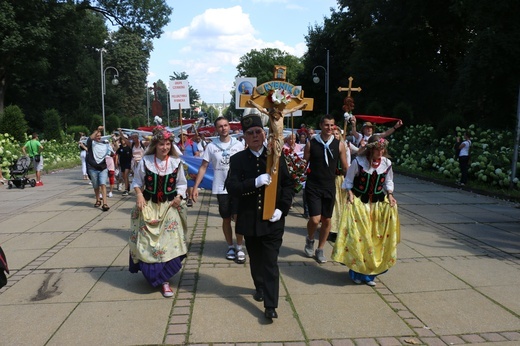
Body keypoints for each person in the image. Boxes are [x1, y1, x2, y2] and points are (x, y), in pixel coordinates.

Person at [226, 114, 295, 320]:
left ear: (264, 134)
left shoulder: (276, 156)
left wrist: (282, 208)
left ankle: (270, 305)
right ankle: (259, 286)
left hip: (273, 219)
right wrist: (254, 182)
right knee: (256, 259)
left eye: (258, 132)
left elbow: (289, 185)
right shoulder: (237, 160)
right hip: (250, 218)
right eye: (250, 133)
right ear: (244, 137)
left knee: (270, 262)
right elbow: (232, 187)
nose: (255, 136)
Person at [332, 135, 400, 286]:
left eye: (382, 149)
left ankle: (369, 275)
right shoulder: (358, 162)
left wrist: (390, 195)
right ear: (370, 149)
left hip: (377, 205)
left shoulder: (386, 163)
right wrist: (349, 194)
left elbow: (389, 181)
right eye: (377, 149)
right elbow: (348, 181)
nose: (381, 152)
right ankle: (356, 272)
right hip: (359, 204)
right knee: (359, 239)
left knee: (375, 239)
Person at [128, 126, 188, 298]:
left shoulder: (176, 163)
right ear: (156, 145)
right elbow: (137, 182)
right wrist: (139, 195)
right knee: (148, 243)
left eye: (168, 144)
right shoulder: (146, 161)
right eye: (161, 144)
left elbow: (182, 184)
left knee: (168, 244)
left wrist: (179, 196)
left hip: (169, 207)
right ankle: (156, 276)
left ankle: (165, 279)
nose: (165, 147)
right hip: (149, 206)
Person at [191, 116, 246, 262]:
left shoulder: (239, 144)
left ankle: (240, 247)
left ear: (230, 127)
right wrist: (195, 186)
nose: (223, 128)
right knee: (226, 218)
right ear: (216, 129)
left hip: (237, 187)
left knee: (239, 218)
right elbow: (203, 167)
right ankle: (230, 246)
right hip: (221, 187)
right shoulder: (211, 146)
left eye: (226, 125)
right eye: (220, 126)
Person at [303, 115, 348, 263]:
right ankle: (310, 239)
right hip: (313, 186)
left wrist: (350, 186)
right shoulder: (312, 143)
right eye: (327, 125)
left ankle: (320, 249)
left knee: (327, 220)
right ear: (321, 125)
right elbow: (304, 164)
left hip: (330, 186)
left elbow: (345, 167)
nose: (329, 128)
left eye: (332, 126)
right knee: (315, 220)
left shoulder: (339, 144)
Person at [329, 126, 351, 242]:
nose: (335, 136)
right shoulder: (328, 147)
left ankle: (340, 229)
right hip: (330, 178)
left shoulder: (345, 147)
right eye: (334, 134)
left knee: (341, 204)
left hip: (340, 178)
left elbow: (347, 164)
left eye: (337, 134)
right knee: (333, 204)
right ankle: (332, 229)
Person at [86, 126, 111, 211]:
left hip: (103, 168)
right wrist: (98, 130)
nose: (98, 137)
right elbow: (90, 138)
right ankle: (97, 199)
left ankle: (105, 203)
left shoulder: (104, 143)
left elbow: (112, 151)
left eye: (100, 135)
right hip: (92, 168)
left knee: (103, 184)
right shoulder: (90, 143)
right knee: (96, 185)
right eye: (97, 135)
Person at [177, 129, 199, 206]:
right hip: (180, 165)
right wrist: (180, 150)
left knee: (189, 182)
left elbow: (197, 154)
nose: (183, 137)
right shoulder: (177, 145)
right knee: (182, 181)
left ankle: (190, 198)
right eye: (181, 135)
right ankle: (184, 195)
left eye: (184, 135)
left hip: (190, 166)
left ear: (186, 136)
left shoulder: (192, 144)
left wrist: (192, 160)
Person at [116, 129, 132, 195]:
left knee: (125, 175)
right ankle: (127, 186)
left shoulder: (129, 147)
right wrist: (117, 162)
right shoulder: (120, 148)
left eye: (124, 139)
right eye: (122, 139)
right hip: (122, 163)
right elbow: (118, 154)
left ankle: (126, 190)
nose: (123, 141)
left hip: (128, 163)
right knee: (124, 176)